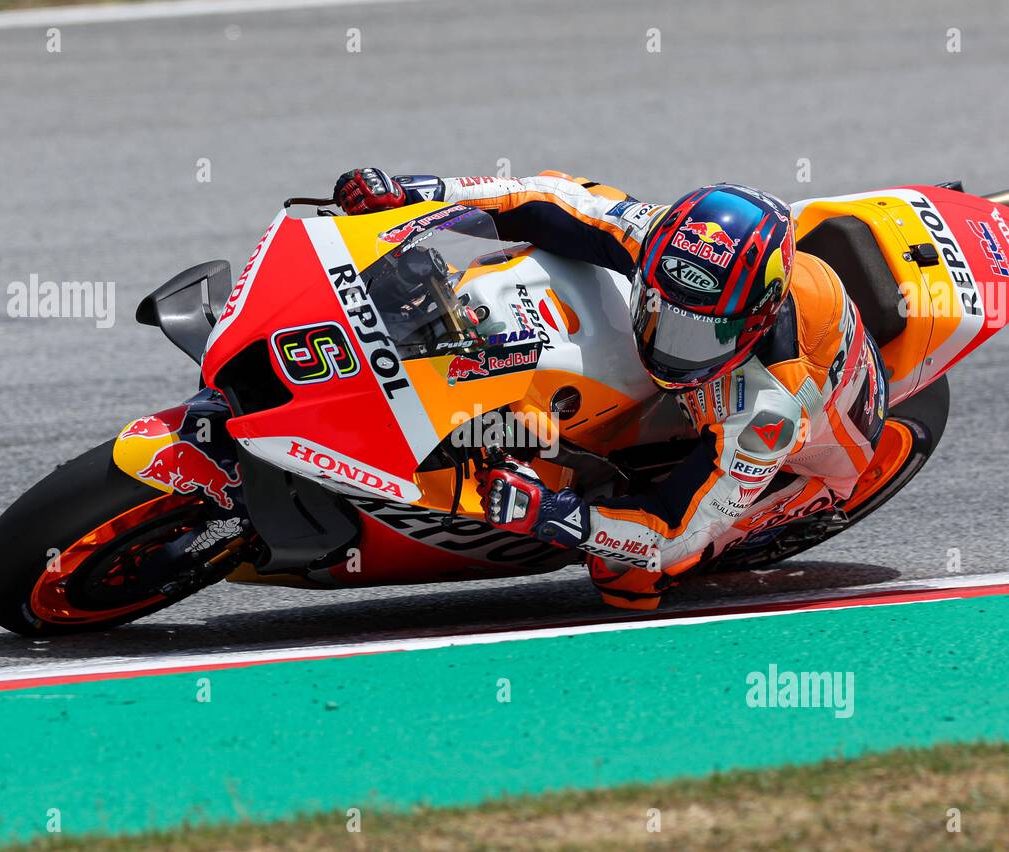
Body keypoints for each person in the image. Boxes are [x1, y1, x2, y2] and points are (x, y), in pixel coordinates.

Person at [333, 168, 888, 610]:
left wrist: (551, 513)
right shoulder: (666, 240)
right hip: (731, 365)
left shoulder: (771, 412)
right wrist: (416, 194)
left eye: (699, 331)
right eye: (662, 309)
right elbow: (543, 196)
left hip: (824, 449)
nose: (672, 343)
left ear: (755, 319)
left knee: (629, 579)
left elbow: (673, 533)